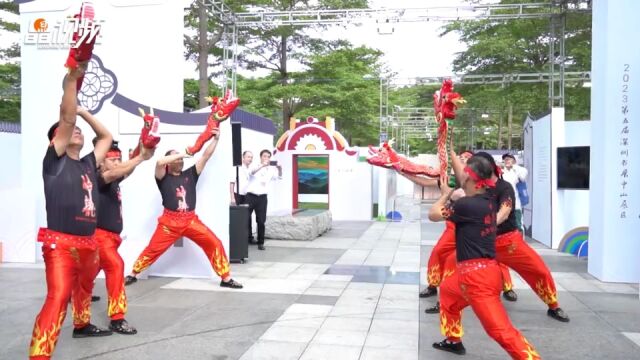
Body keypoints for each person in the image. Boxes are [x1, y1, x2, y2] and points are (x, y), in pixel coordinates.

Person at [29, 73, 114, 359]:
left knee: (85, 288)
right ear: (57, 139)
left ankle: (82, 324)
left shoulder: (89, 163)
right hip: (61, 245)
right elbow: (65, 121)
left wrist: (84, 113)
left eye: (79, 130)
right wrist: (71, 84)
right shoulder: (54, 161)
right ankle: (40, 354)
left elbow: (106, 137)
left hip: (89, 244)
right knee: (59, 296)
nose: (77, 131)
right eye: (71, 130)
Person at [429, 156, 540, 359]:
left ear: (471, 179)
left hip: (478, 280)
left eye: (464, 170)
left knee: (500, 331)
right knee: (446, 292)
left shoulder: (467, 205)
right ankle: (453, 340)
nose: (461, 172)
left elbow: (434, 214)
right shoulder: (488, 201)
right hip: (471, 274)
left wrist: (445, 195)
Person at [124, 128, 242, 290]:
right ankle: (133, 273)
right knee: (153, 249)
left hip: (190, 220)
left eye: (181, 159)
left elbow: (205, 156)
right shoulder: (162, 177)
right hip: (168, 223)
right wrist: (184, 153)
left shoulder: (191, 174)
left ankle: (226, 277)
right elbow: (159, 162)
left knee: (215, 243)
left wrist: (215, 140)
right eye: (176, 158)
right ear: (169, 161)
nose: (180, 161)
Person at [473, 152, 569, 322]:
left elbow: (505, 210)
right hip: (481, 243)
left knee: (539, 270)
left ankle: (553, 305)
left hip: (508, 242)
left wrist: (490, 224)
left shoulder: (505, 187)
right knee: (455, 274)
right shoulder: (475, 188)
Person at [91, 139, 154, 335]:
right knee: (116, 267)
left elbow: (126, 170)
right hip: (99, 237)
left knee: (87, 273)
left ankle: (75, 293)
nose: (118, 163)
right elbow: (118, 171)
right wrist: (140, 156)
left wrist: (141, 143)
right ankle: (117, 319)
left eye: (120, 159)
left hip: (111, 238)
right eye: (113, 160)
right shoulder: (97, 178)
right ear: (101, 162)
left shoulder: (113, 178)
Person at [245, 149, 282, 250]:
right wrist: (262, 165)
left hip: (262, 197)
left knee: (261, 221)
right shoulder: (254, 165)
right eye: (264, 156)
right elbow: (251, 172)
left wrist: (279, 168)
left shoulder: (271, 169)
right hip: (251, 196)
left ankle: (260, 242)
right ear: (261, 157)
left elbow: (278, 177)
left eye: (268, 157)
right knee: (245, 218)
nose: (266, 158)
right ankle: (248, 239)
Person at [230, 151, 255, 244]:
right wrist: (232, 197)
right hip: (238, 195)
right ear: (243, 158)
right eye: (248, 157)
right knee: (239, 217)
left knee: (248, 217)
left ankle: (249, 237)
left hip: (247, 195)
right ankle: (238, 238)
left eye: (251, 157)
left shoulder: (250, 169)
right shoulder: (237, 168)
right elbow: (232, 183)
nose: (250, 159)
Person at [501, 153, 528, 231]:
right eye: (505, 159)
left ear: (514, 161)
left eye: (509, 159)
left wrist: (514, 166)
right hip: (503, 204)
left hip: (516, 205)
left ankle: (520, 242)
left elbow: (523, 176)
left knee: (518, 226)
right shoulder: (502, 172)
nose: (506, 161)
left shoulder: (518, 171)